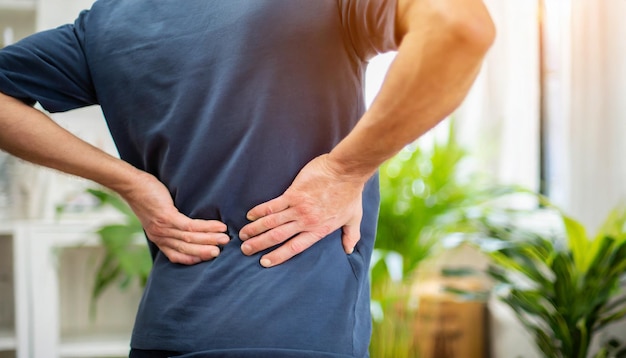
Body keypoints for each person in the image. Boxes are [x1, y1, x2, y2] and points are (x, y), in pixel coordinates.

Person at [0, 0, 495, 356]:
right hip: (295, 330)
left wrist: (130, 182)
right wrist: (346, 170)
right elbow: (460, 25)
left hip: (165, 333)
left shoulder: (108, 21)